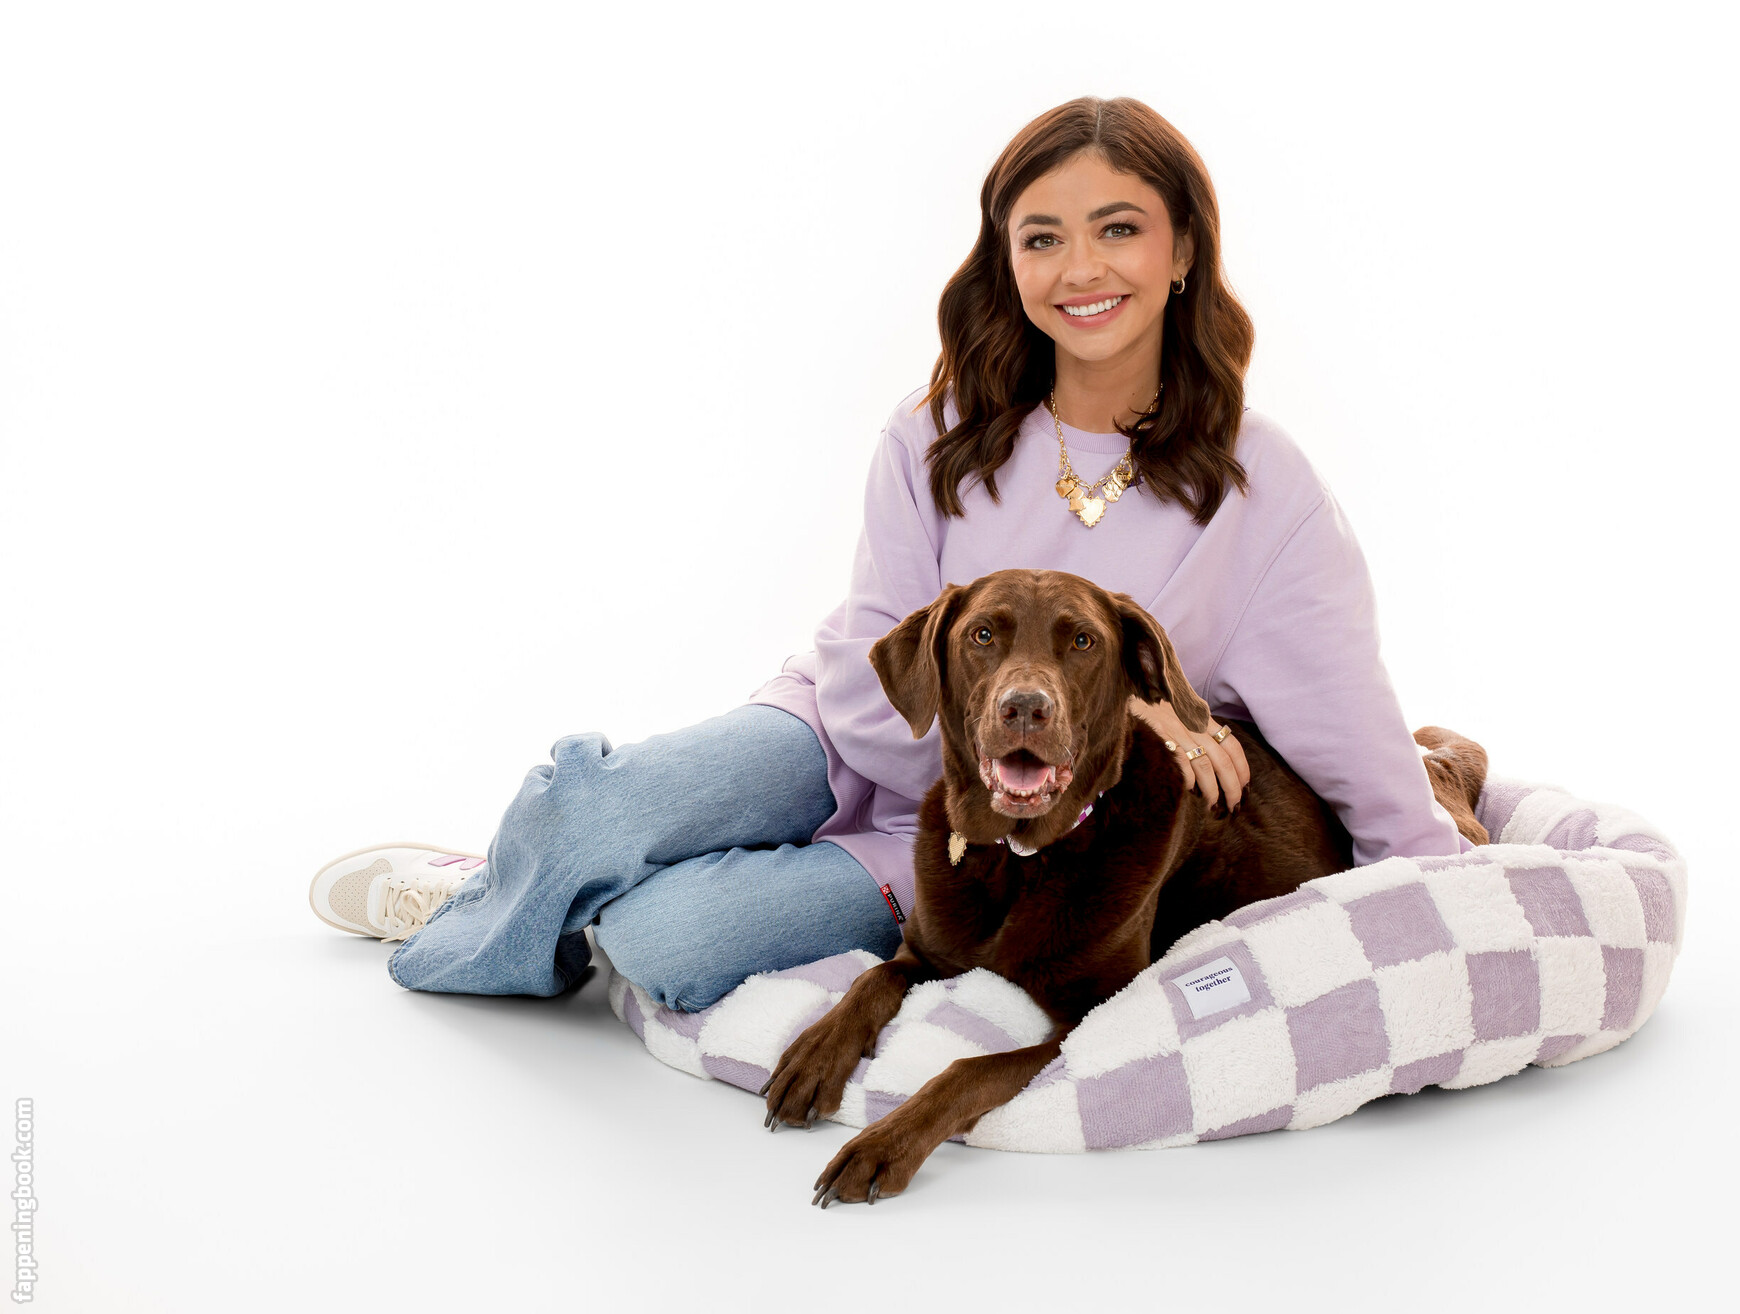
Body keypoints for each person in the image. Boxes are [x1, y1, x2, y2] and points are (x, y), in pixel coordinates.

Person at [307, 96, 1474, 1010]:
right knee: (589, 809)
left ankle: (569, 897)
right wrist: (1133, 714)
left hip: (992, 838)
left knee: (670, 941)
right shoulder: (939, 434)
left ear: (1182, 252)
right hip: (830, 734)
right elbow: (874, 686)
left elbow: (1352, 737)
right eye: (1043, 238)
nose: (1082, 270)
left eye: (1120, 229)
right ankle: (492, 891)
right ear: (1007, 264)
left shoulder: (1263, 492)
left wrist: (1449, 882)